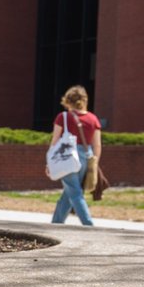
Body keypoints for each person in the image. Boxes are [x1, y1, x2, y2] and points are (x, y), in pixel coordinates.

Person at [49, 85, 101, 225]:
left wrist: (49, 162)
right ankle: (56, 223)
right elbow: (97, 145)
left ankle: (88, 224)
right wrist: (94, 164)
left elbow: (55, 141)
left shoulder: (63, 117)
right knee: (69, 192)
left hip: (67, 156)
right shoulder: (93, 119)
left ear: (67, 100)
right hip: (86, 155)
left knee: (74, 191)